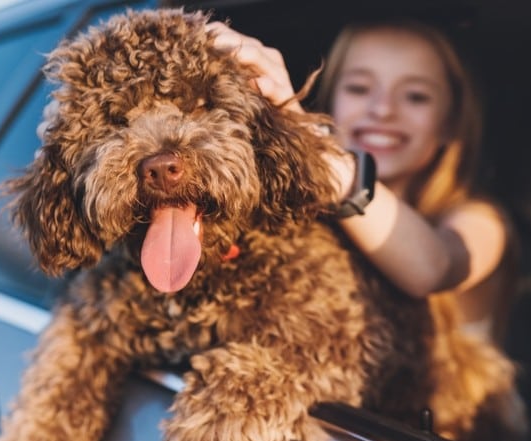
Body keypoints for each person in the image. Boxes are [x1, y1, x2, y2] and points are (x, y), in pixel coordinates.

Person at [210, 20, 514, 342]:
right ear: (331, 103)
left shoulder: (480, 220)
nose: (382, 110)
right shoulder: (304, 221)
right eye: (358, 88)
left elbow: (431, 269)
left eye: (415, 96)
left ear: (451, 122)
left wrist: (307, 139)